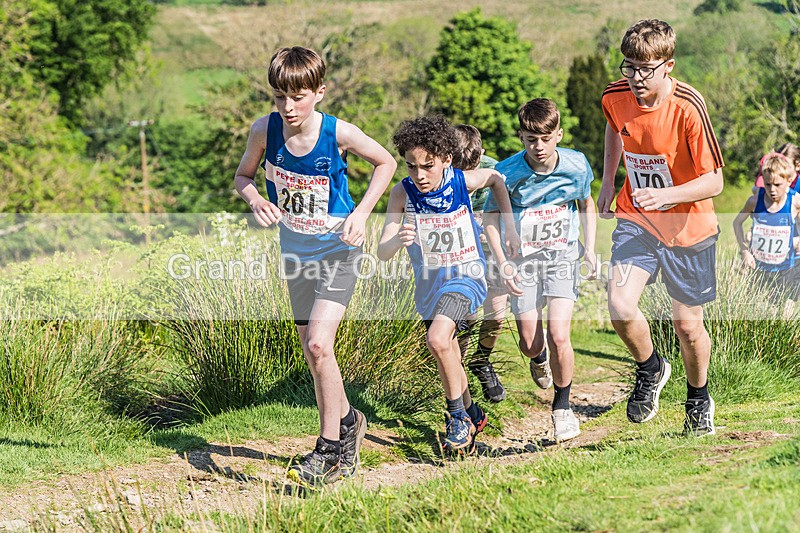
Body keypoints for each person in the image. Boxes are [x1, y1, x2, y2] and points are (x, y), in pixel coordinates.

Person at [233, 46, 396, 486]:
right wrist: (256, 200)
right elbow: (242, 177)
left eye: (298, 96)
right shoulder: (263, 131)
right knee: (313, 352)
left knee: (321, 345)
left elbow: (387, 162)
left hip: (339, 250)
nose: (288, 106)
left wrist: (362, 213)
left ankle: (327, 451)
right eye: (280, 96)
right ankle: (348, 423)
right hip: (296, 254)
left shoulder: (338, 132)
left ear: (319, 93)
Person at [597, 19, 725, 437]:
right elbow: (616, 130)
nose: (634, 77)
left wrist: (668, 196)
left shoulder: (688, 106)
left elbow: (715, 181)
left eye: (644, 69)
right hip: (637, 217)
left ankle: (698, 397)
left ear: (667, 66)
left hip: (688, 225)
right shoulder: (614, 97)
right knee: (619, 304)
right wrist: (609, 180)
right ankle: (651, 368)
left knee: (687, 326)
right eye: (628, 66)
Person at [377, 115, 520, 454]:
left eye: (428, 166)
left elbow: (497, 180)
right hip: (429, 288)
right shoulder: (402, 193)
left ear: (446, 159)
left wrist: (510, 226)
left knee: (438, 339)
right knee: (450, 351)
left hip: (466, 278)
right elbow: (382, 251)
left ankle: (455, 417)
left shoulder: (461, 181)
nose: (420, 175)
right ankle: (472, 414)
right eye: (411, 166)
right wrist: (398, 239)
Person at [483, 98, 597, 443]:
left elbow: (586, 203)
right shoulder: (508, 172)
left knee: (559, 333)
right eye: (532, 139)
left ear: (558, 134)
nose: (539, 147)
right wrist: (502, 259)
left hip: (562, 256)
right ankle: (540, 357)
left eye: (546, 138)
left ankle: (563, 408)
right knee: (531, 342)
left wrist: (590, 248)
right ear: (521, 137)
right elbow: (490, 218)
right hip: (523, 263)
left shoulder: (577, 165)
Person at [452, 124, 507, 403]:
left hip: (490, 250)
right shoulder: (438, 171)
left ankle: (481, 360)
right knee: (465, 318)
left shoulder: (495, 172)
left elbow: (509, 213)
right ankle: (457, 377)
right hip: (459, 255)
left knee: (496, 314)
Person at [733, 153, 800, 314]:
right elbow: (737, 223)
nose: (772, 190)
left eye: (777, 184)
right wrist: (744, 251)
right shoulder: (754, 201)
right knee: (764, 311)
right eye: (768, 184)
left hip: (787, 266)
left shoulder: (795, 202)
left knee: (785, 313)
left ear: (788, 182)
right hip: (760, 267)